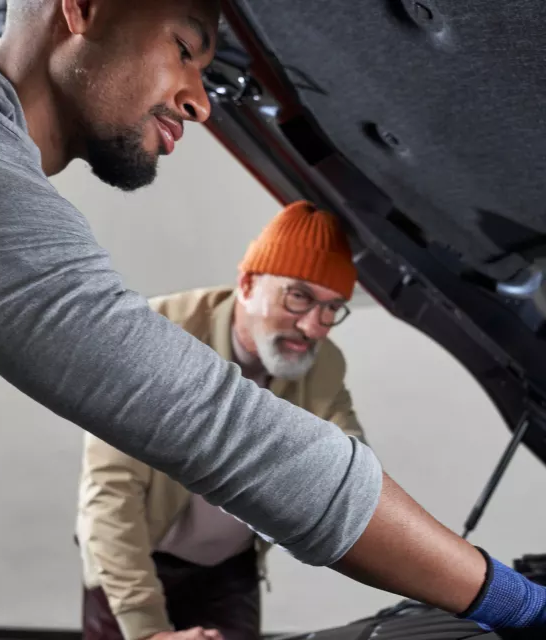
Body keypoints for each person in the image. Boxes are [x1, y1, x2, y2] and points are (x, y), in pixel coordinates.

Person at [0, 0, 543, 638]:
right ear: (81, 8)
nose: (202, 100)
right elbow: (220, 430)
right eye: (183, 49)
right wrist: (523, 605)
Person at [77, 201, 367, 640]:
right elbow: (110, 493)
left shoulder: (324, 363)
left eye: (332, 308)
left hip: (229, 567)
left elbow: (352, 458)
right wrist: (148, 630)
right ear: (248, 283)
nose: (313, 327)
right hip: (132, 555)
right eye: (300, 296)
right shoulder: (156, 333)